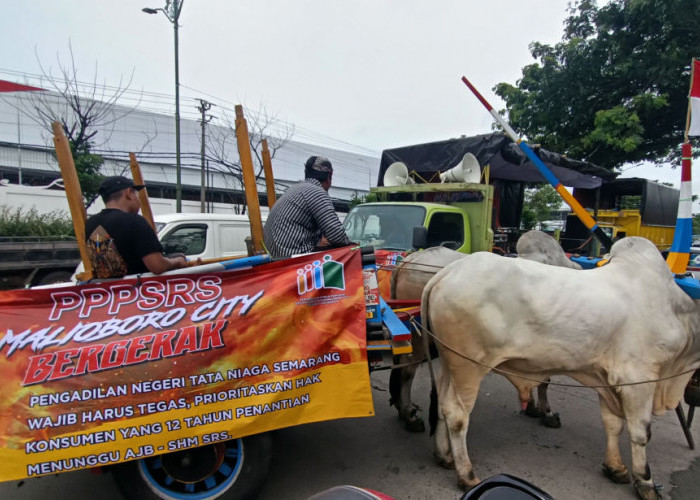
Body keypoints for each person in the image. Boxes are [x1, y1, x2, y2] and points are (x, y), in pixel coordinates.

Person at [85, 176, 187, 278]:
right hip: (137, 290)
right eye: (137, 194)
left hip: (107, 291)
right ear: (129, 193)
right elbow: (157, 266)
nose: (138, 199)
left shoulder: (91, 223)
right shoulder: (134, 221)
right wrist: (177, 261)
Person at [263, 156, 352, 259]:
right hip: (295, 258)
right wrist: (354, 247)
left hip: (275, 256)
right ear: (329, 177)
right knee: (346, 253)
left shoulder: (295, 189)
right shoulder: (317, 192)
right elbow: (337, 235)